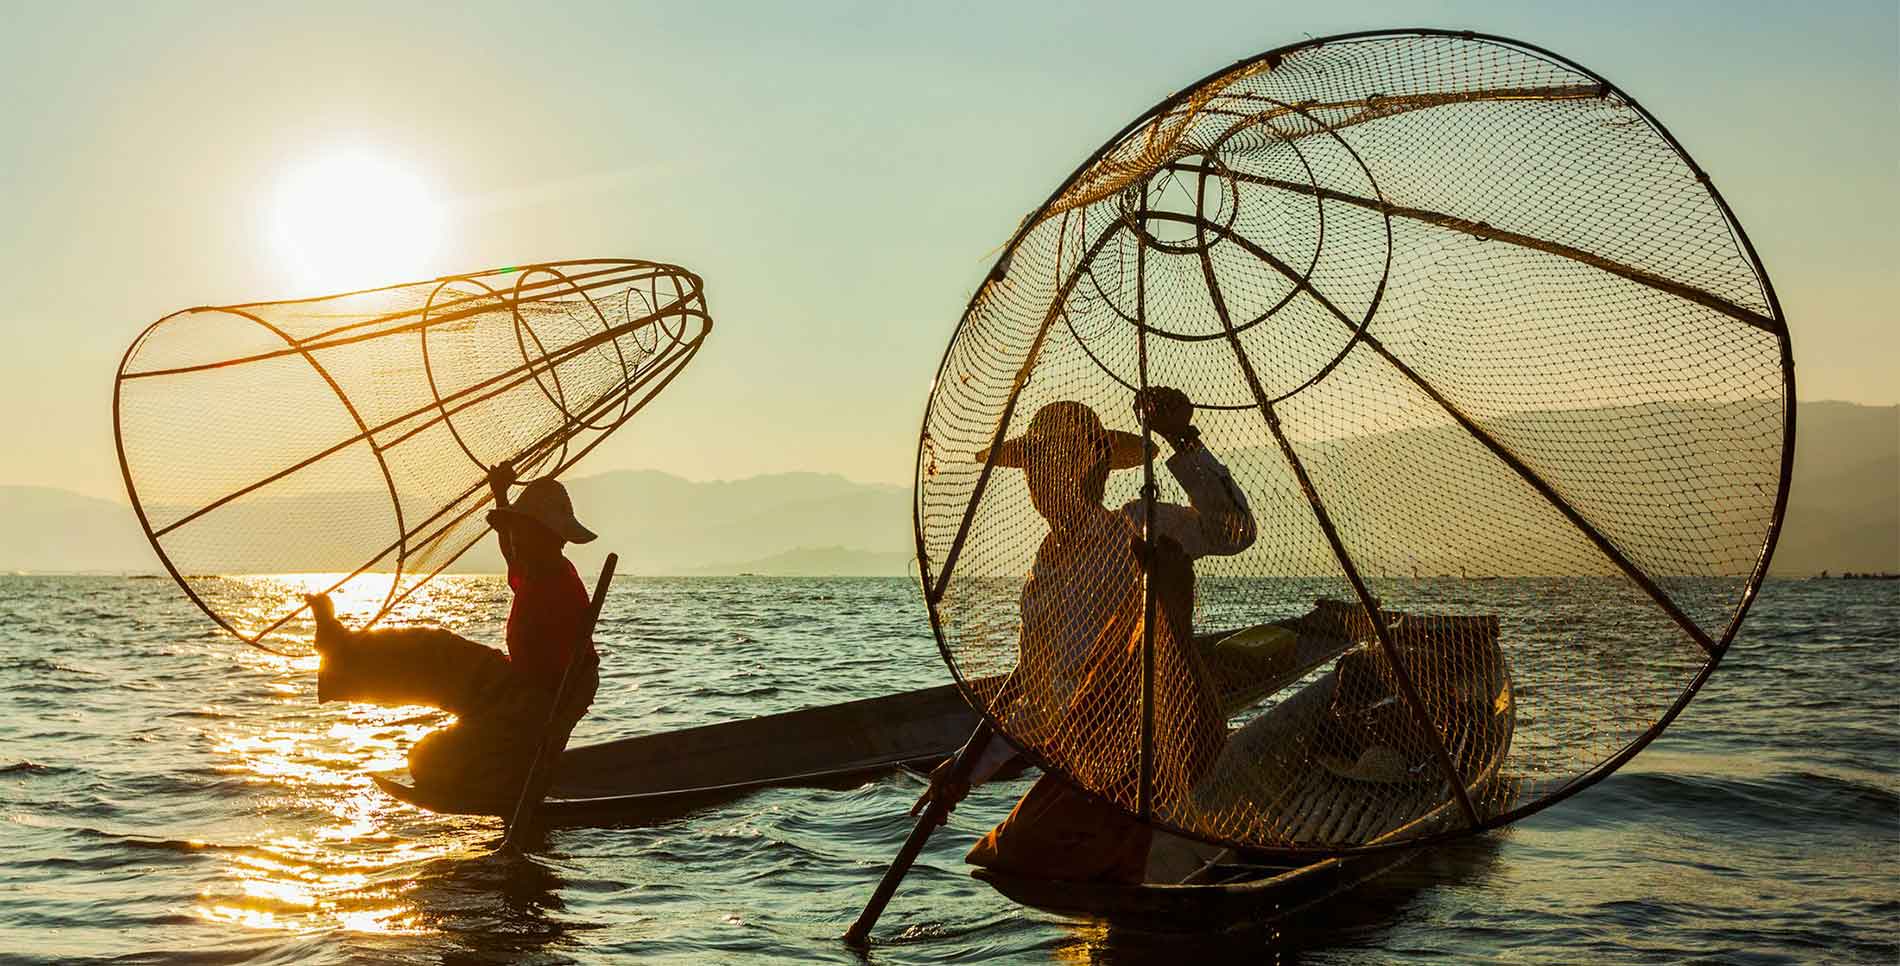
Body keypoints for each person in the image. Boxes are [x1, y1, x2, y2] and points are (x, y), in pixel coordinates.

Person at [918, 387, 1257, 884]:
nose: (1043, 480)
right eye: (1034, 467)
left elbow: (1233, 529)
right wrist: (966, 772)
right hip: (1094, 765)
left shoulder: (1140, 524)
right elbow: (1042, 703)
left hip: (1163, 749)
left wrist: (1182, 440)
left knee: (1035, 857)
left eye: (1057, 463)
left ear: (1093, 468)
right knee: (1007, 858)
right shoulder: (1044, 569)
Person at [307, 461, 602, 809]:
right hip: (514, 683)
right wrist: (500, 492)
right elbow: (510, 549)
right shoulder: (533, 565)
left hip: (537, 700)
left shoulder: (558, 586)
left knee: (427, 760)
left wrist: (534, 737)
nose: (515, 540)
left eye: (523, 531)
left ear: (549, 538)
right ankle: (342, 653)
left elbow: (568, 688)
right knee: (436, 648)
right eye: (515, 530)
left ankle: (503, 778)